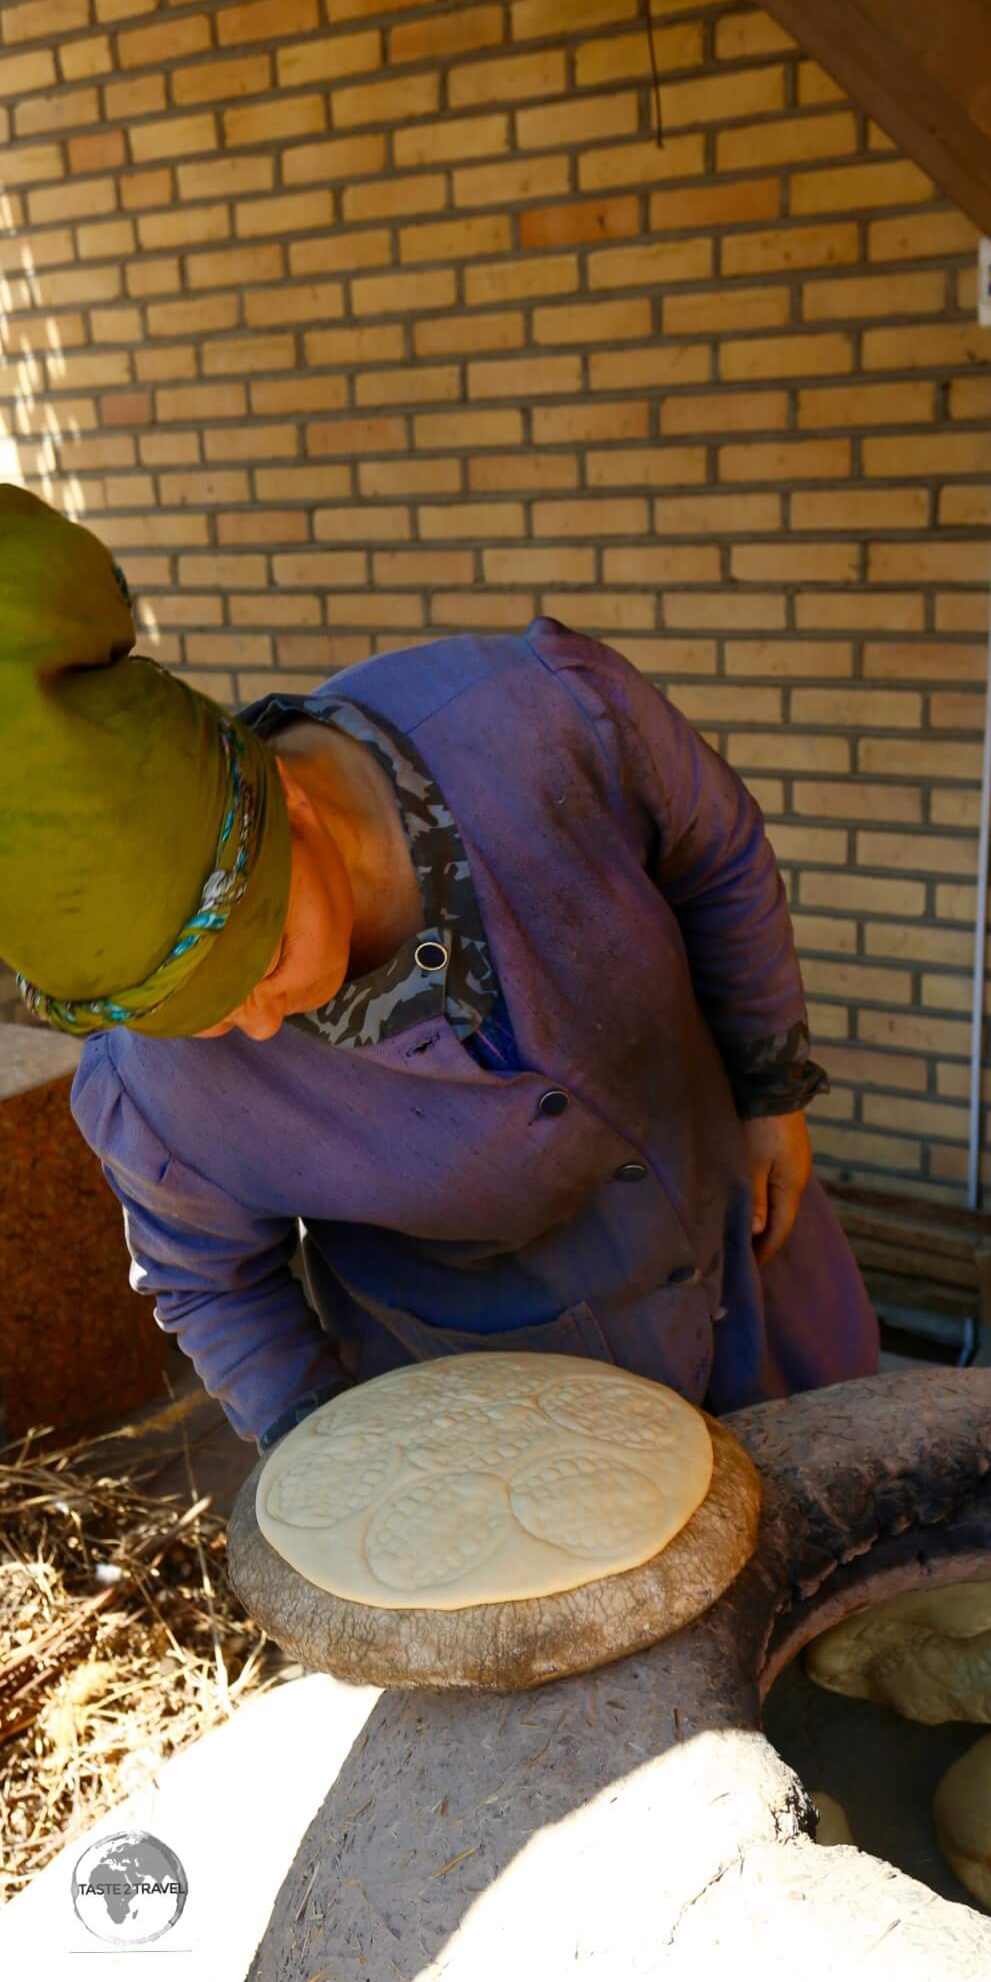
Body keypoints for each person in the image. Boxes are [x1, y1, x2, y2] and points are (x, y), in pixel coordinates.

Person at [1, 483, 879, 1455]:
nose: (253, 1026)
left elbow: (715, 855)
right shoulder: (158, 1093)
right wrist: (330, 1464)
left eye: (262, 960)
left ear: (286, 804)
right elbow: (209, 1280)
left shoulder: (539, 723)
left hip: (750, 1264)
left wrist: (768, 1085)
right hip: (514, 1423)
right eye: (199, 1020)